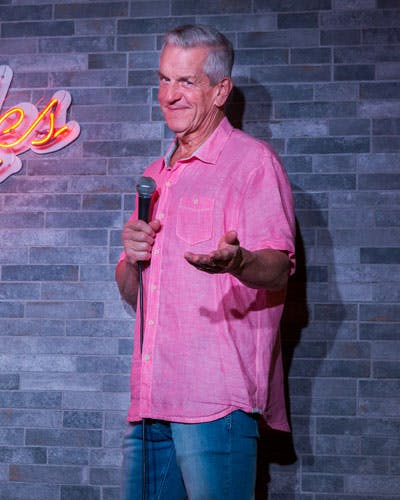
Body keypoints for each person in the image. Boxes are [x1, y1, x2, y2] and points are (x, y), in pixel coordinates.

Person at [115, 24, 296, 500]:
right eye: (163, 79)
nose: (168, 96)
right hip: (151, 399)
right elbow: (135, 296)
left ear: (220, 91)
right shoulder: (155, 176)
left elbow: (279, 268)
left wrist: (238, 262)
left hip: (216, 403)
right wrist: (133, 260)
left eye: (186, 82)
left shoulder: (252, 163)